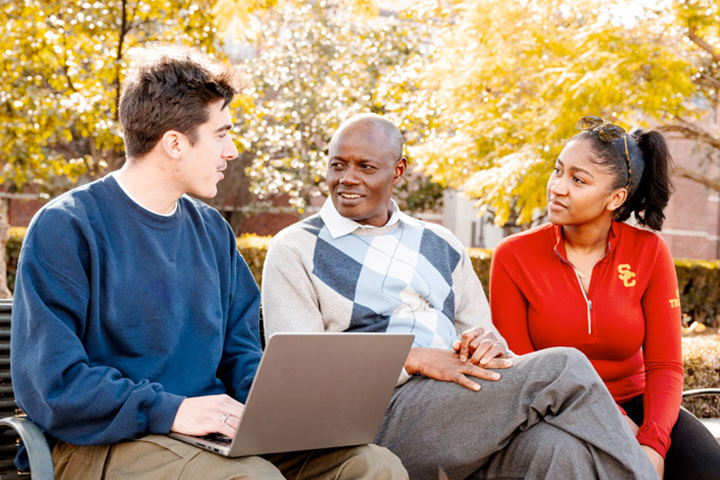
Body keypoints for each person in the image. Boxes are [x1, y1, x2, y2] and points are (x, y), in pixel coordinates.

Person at [10, 45, 406, 480]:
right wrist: (173, 409)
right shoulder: (67, 227)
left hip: (209, 435)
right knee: (251, 478)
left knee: (372, 465)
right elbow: (54, 384)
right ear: (175, 143)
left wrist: (282, 405)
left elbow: (240, 351)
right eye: (221, 134)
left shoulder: (213, 232)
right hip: (97, 442)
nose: (231, 150)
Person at [262, 112, 661, 480]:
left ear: (398, 170)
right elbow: (299, 376)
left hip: (458, 408)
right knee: (564, 367)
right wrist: (413, 358)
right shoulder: (296, 248)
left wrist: (487, 344)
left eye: (365, 167)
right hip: (374, 414)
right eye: (337, 165)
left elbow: (489, 339)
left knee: (557, 448)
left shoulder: (440, 242)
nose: (347, 178)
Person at [489, 115, 720, 480]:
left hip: (637, 405)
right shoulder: (513, 256)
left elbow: (665, 366)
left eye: (578, 180)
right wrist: (617, 425)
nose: (558, 187)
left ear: (615, 198)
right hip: (553, 408)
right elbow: (525, 370)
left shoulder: (650, 253)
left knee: (708, 466)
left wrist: (653, 444)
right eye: (558, 171)